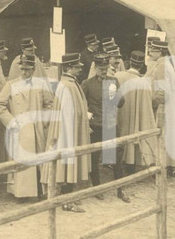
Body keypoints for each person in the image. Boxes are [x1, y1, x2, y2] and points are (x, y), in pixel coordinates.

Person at [0, 53, 54, 200]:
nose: (24, 72)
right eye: (22, 69)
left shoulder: (41, 84)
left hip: (37, 129)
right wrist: (11, 121)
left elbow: (50, 104)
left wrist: (43, 120)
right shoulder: (11, 84)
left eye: (27, 69)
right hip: (20, 129)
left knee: (39, 160)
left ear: (33, 69)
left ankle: (41, 191)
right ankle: (21, 193)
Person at [41, 53, 91, 212]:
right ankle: (66, 200)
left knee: (70, 164)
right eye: (77, 67)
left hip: (71, 130)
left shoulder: (70, 83)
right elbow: (68, 115)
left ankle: (67, 197)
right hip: (68, 131)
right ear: (69, 67)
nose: (79, 70)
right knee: (68, 164)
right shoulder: (67, 85)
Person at [81, 52, 129, 202]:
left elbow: (121, 103)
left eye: (105, 68)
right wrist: (88, 117)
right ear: (95, 67)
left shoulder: (113, 81)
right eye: (101, 68)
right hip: (95, 126)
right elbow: (81, 105)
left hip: (110, 125)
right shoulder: (87, 84)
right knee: (94, 158)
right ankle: (97, 188)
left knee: (116, 158)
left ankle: (120, 190)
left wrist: (116, 95)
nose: (103, 70)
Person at [144, 38, 175, 177]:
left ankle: (163, 165)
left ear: (159, 52)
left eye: (153, 50)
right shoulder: (167, 63)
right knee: (169, 134)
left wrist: (154, 104)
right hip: (170, 104)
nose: (150, 52)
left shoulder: (161, 65)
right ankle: (168, 165)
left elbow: (161, 90)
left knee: (163, 133)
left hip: (164, 106)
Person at [114, 51, 157, 174]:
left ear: (129, 63)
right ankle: (130, 165)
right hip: (133, 114)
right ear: (141, 66)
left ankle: (115, 164)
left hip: (119, 112)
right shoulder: (142, 82)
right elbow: (147, 103)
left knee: (119, 136)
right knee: (132, 136)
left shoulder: (117, 75)